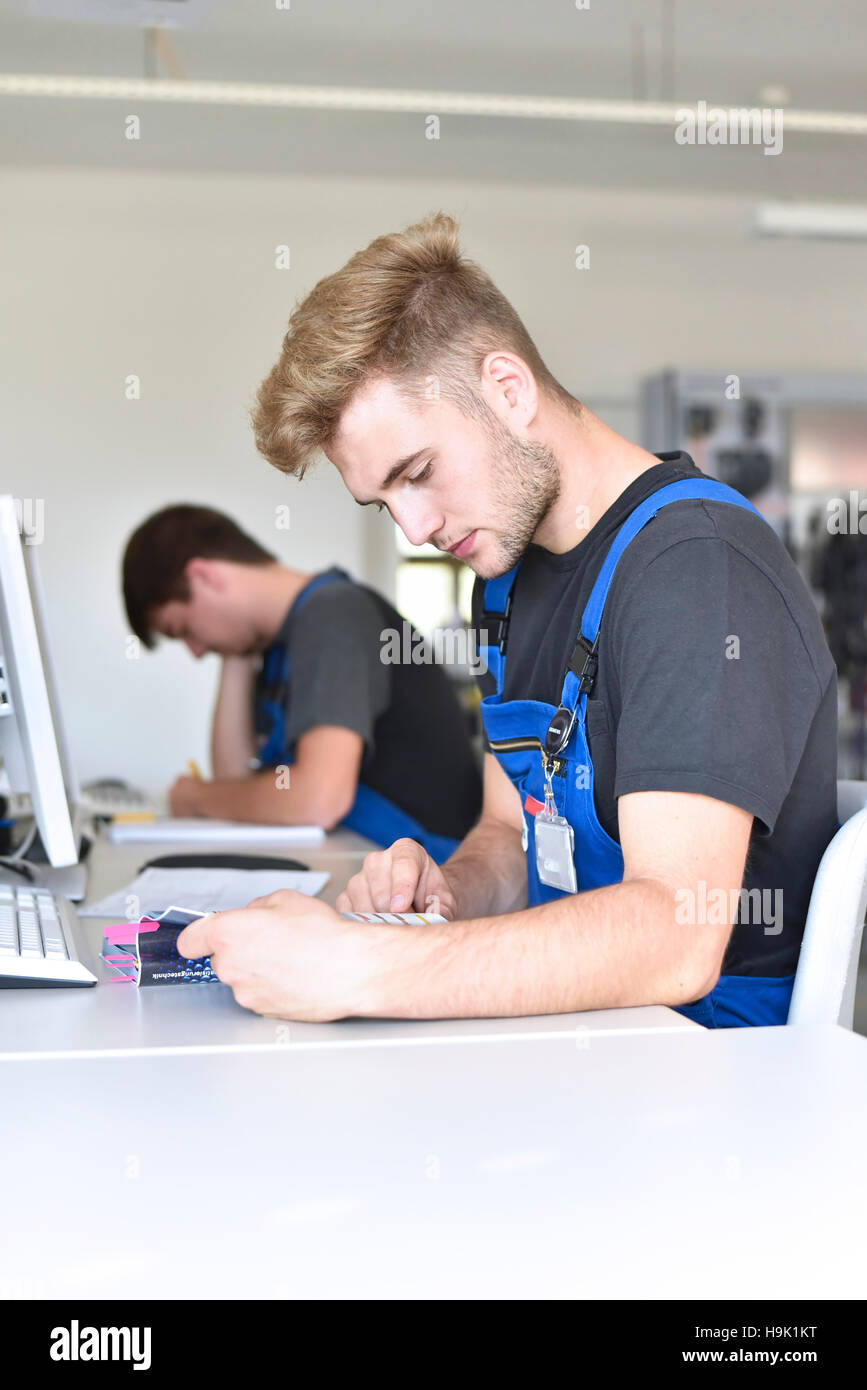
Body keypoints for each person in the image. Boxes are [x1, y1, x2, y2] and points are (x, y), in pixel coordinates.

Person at [176, 212, 838, 1028]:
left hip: (707, 1060)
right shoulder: (501, 583)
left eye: (417, 472)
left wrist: (363, 966)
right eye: (383, 501)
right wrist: (446, 891)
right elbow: (505, 833)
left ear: (507, 389)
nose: (414, 528)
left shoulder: (696, 569)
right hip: (590, 1032)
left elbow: (674, 934)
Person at [121, 504, 482, 859]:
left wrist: (198, 797)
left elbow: (319, 799)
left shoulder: (333, 614)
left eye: (184, 630)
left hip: (425, 872)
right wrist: (236, 656)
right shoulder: (278, 645)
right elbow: (234, 780)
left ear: (203, 576)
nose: (196, 651)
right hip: (360, 856)